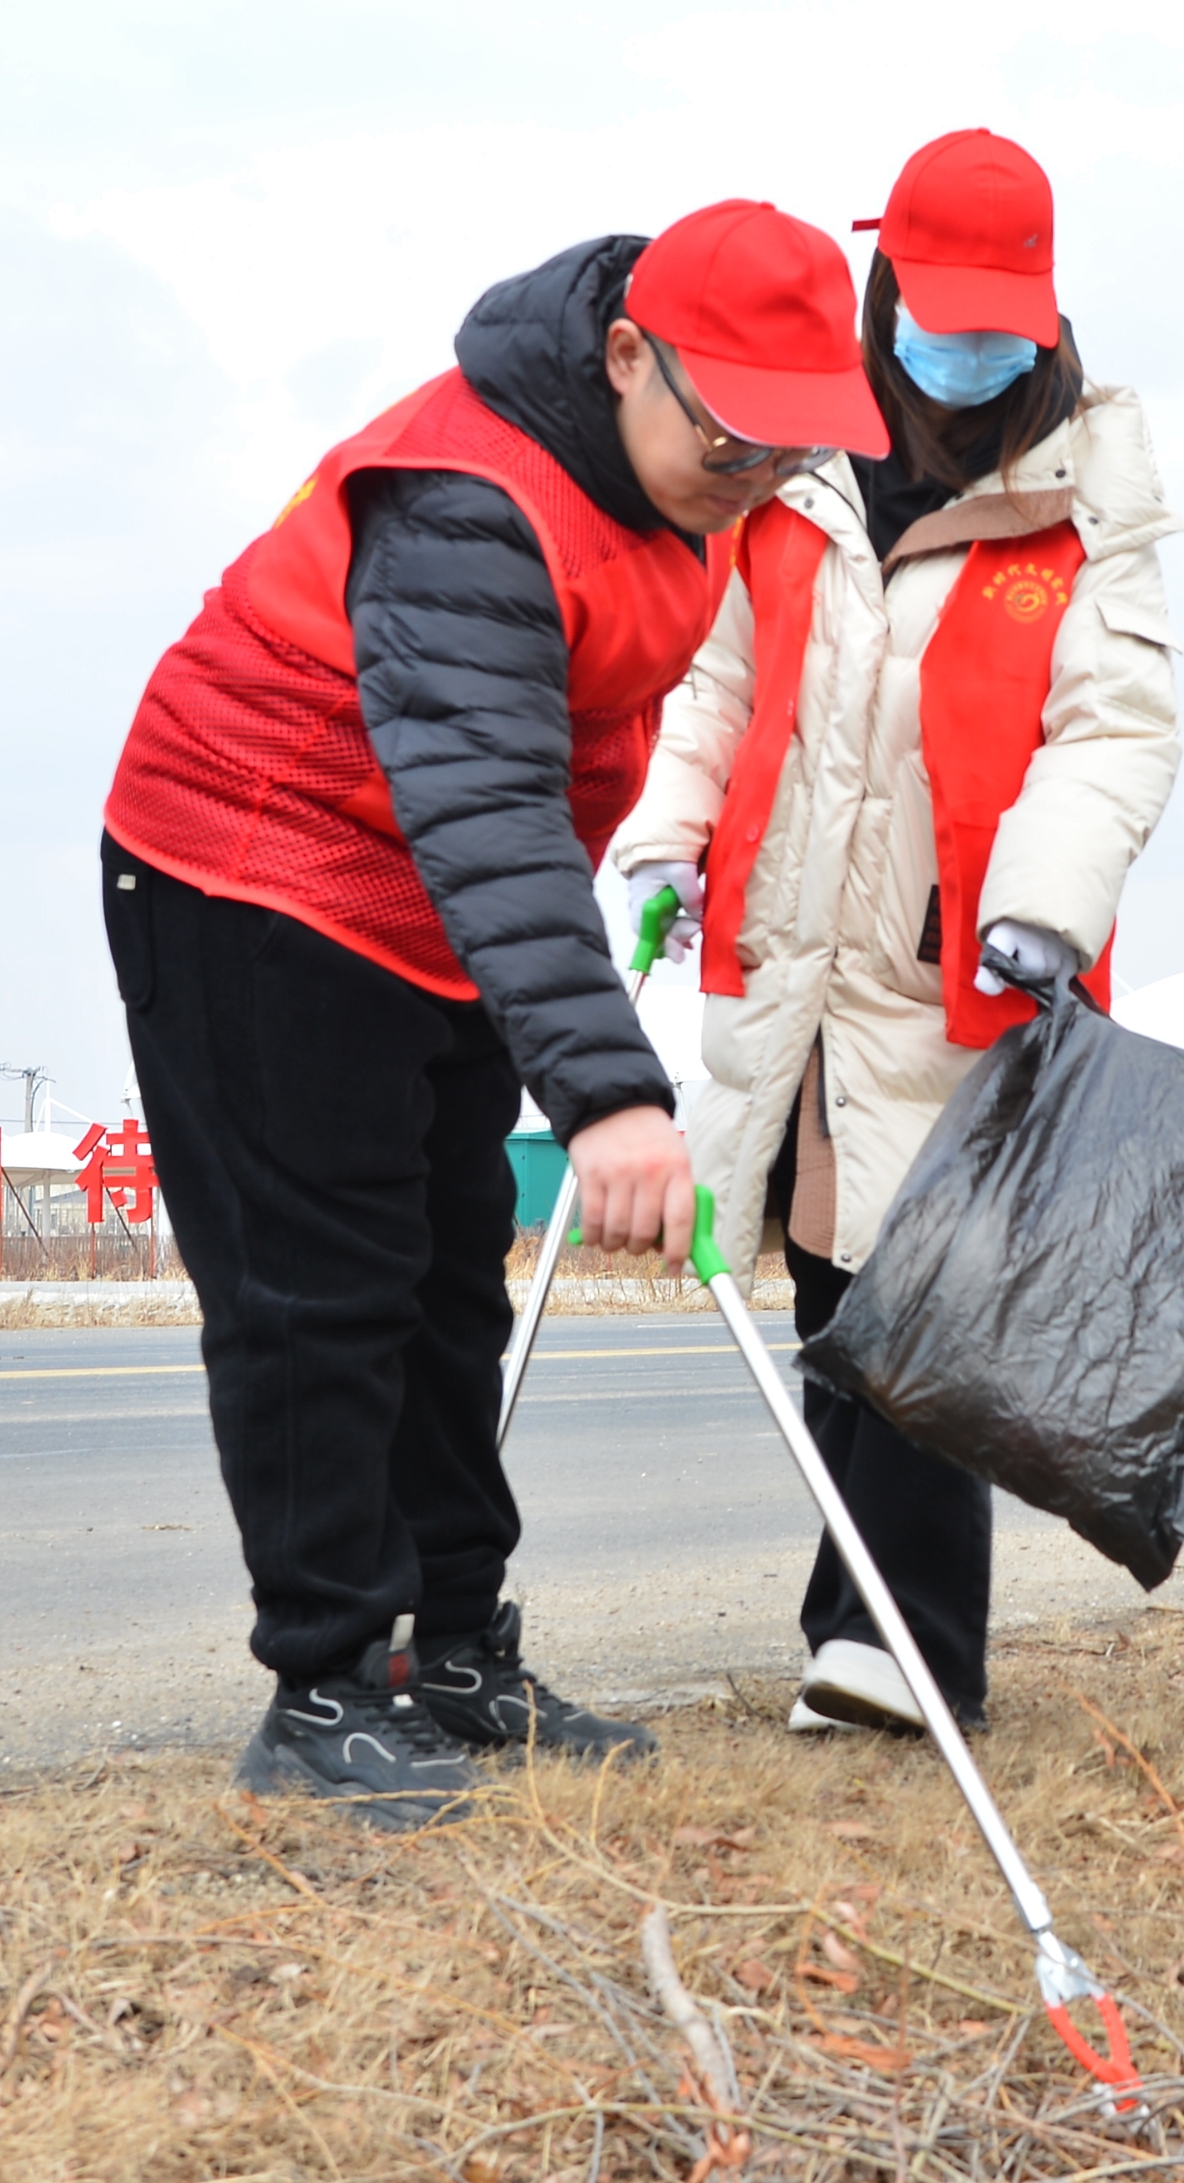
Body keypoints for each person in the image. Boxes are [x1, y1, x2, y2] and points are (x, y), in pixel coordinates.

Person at [99, 205, 883, 1827]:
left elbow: (621, 714)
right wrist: (604, 1085)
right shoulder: (472, 496)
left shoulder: (700, 488)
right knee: (321, 1290)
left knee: (448, 1274)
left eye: (790, 455)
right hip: (255, 859)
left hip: (430, 897)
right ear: (624, 359)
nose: (753, 480)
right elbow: (486, 798)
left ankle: (453, 1645)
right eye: (731, 438)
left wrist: (670, 844)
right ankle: (323, 1685)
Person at [607, 131, 1182, 1737]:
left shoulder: (1086, 491)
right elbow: (723, 682)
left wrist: (1043, 905)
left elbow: (1116, 726)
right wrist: (665, 836)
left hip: (960, 965)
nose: (974, 350)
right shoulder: (795, 467)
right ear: (888, 292)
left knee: (925, 1305)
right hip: (795, 952)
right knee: (827, 1289)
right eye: (947, 313)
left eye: (1007, 320)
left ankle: (909, 1646)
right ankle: (851, 1624)